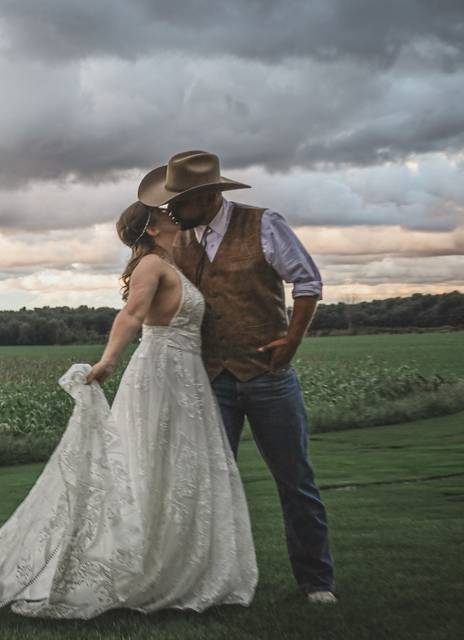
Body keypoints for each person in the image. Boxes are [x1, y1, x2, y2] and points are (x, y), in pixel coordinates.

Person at [0, 200, 258, 619]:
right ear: (152, 231)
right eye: (164, 217)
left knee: (179, 469)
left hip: (187, 376)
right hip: (162, 374)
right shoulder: (149, 267)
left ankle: (176, 565)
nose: (173, 218)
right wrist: (107, 360)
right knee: (154, 464)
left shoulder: (168, 262)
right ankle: (144, 571)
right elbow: (132, 314)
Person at [138, 149, 337, 604]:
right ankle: (210, 582)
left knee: (295, 480)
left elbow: (308, 283)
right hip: (210, 379)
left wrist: (291, 341)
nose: (169, 210)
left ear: (207, 196)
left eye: (178, 201)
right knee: (207, 484)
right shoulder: (179, 242)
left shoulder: (264, 224)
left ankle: (317, 582)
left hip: (268, 375)